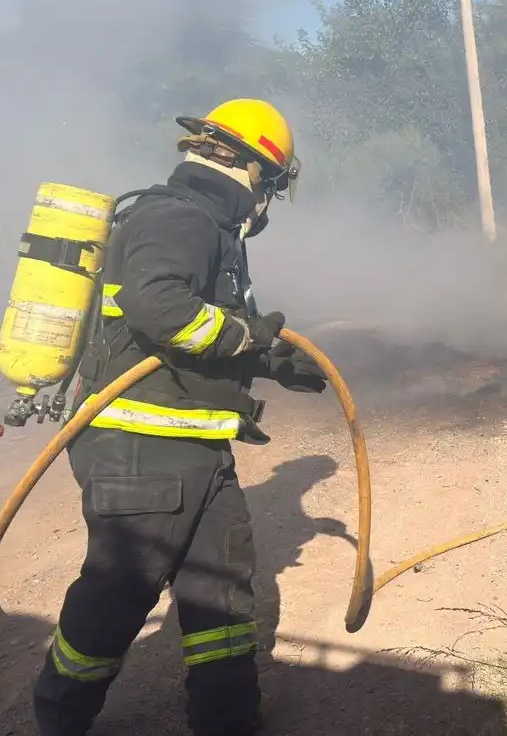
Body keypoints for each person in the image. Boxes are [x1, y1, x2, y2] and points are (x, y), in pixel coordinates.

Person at [33, 98, 328, 736]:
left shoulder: (201, 223)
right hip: (141, 447)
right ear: (251, 169)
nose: (266, 202)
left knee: (219, 586)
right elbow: (162, 309)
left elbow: (199, 328)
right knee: (117, 596)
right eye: (269, 185)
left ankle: (228, 719)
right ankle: (58, 720)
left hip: (193, 446)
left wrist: (275, 360)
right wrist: (252, 338)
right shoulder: (180, 218)